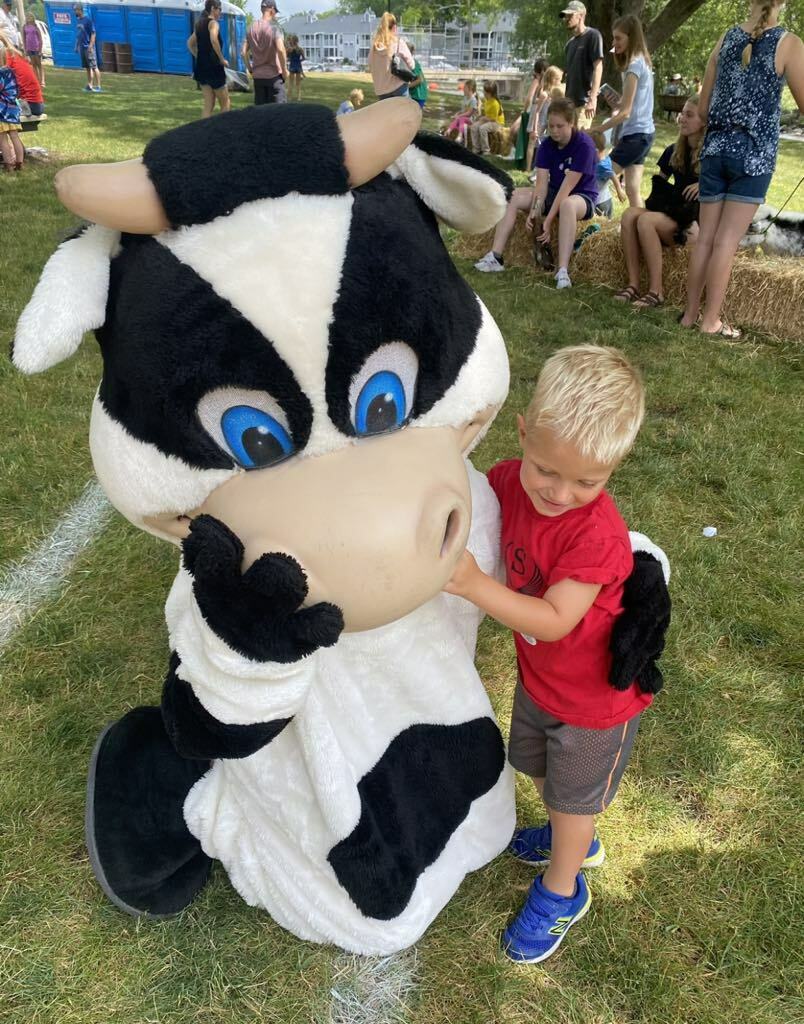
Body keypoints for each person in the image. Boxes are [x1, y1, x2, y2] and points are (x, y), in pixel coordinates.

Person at [444, 344, 648, 965]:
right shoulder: (510, 480)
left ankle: (563, 889)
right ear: (523, 434)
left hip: (594, 706)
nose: (559, 493)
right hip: (540, 684)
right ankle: (572, 841)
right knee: (537, 768)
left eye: (587, 482)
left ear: (614, 467)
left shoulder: (596, 536)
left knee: (571, 798)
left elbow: (557, 621)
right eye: (546, 470)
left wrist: (475, 585)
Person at [680, 0, 804, 337]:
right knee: (726, 242)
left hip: (715, 150)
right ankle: (711, 321)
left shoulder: (726, 37)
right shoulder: (789, 44)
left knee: (706, 238)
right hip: (754, 156)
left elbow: (703, 109)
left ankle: (690, 315)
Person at [475, 99, 597, 286]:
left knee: (567, 204)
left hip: (581, 196)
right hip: (554, 191)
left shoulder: (584, 145)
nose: (554, 131)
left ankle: (562, 271)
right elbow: (541, 185)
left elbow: (566, 189)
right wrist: (535, 211)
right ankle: (496, 257)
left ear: (571, 123)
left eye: (559, 126)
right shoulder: (547, 145)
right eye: (551, 126)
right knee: (513, 195)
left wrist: (548, 221)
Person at [614, 95, 705, 308]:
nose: (682, 118)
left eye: (689, 115)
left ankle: (656, 292)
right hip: (672, 212)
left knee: (646, 221)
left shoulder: (711, 156)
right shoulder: (673, 151)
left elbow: (727, 189)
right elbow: (659, 187)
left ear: (704, 121)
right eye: (682, 113)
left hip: (693, 224)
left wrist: (704, 185)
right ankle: (633, 285)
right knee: (629, 214)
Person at [597, 15, 655, 207]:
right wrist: (618, 103)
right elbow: (628, 105)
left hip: (635, 137)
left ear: (632, 37)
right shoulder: (641, 62)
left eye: (618, 38)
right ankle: (638, 223)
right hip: (644, 134)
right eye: (613, 38)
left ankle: (594, 214)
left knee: (598, 175)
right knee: (632, 190)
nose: (614, 43)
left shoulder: (634, 66)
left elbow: (626, 113)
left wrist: (597, 130)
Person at [561, 0, 603, 129]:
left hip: (584, 103)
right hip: (569, 105)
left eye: (570, 15)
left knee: (579, 138)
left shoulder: (593, 35)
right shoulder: (569, 44)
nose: (566, 19)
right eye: (565, 16)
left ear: (581, 15)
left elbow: (598, 67)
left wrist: (592, 99)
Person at [188, 0, 230, 116]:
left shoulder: (199, 24)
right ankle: (224, 127)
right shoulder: (213, 23)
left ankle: (204, 127)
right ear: (213, 8)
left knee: (209, 103)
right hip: (214, 68)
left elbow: (189, 44)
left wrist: (198, 56)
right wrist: (221, 59)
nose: (220, 12)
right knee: (225, 102)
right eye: (219, 9)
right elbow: (213, 40)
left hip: (201, 68)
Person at [243, 0, 287, 106]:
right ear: (272, 10)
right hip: (274, 77)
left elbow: (243, 52)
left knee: (261, 113)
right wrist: (284, 70)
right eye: (275, 12)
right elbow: (280, 49)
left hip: (258, 78)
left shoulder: (251, 27)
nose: (275, 15)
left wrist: (250, 68)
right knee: (279, 113)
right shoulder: (274, 27)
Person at [509, 58, 548, 169]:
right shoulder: (549, 82)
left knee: (527, 138)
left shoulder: (537, 81)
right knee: (540, 139)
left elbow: (529, 99)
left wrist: (524, 111)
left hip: (535, 112)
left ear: (536, 70)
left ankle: (527, 165)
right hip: (545, 113)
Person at [368, 12, 413, 100]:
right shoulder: (398, 42)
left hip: (382, 91)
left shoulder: (374, 48)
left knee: (387, 110)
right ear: (394, 27)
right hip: (399, 87)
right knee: (406, 109)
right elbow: (411, 64)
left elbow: (370, 64)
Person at [2, 35, 45, 116]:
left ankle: (22, 109)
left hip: (30, 105)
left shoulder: (9, 58)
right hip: (38, 104)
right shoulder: (18, 57)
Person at [589, 128, 626, 218]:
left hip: (601, 202)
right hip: (604, 199)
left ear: (595, 151)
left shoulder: (601, 165)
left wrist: (619, 190)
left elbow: (612, 174)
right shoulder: (605, 159)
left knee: (600, 223)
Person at [0, 41, 23, 170]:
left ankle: (8, 165)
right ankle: (19, 163)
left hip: (2, 111)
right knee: (15, 136)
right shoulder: (10, 71)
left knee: (2, 139)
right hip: (13, 109)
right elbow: (17, 89)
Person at [468, 80, 505, 155]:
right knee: (474, 127)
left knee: (483, 128)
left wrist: (483, 118)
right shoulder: (486, 100)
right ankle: (476, 149)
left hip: (497, 123)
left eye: (485, 91)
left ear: (490, 93)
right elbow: (486, 113)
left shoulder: (495, 103)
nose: (483, 92)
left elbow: (494, 119)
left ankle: (486, 150)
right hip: (488, 120)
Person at [73, 4, 100, 93]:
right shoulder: (78, 21)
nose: (75, 12)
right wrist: (76, 46)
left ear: (80, 10)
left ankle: (98, 86)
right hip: (82, 47)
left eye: (76, 10)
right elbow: (79, 35)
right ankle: (90, 85)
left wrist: (91, 45)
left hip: (88, 47)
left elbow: (93, 33)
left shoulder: (88, 20)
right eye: (74, 10)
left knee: (94, 67)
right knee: (87, 67)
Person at [443, 78, 477, 143]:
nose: (463, 89)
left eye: (465, 88)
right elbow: (462, 110)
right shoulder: (465, 98)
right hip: (463, 117)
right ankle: (448, 131)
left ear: (470, 89)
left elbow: (469, 113)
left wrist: (460, 116)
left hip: (470, 119)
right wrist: (457, 114)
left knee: (461, 119)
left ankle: (460, 136)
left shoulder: (473, 100)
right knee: (456, 120)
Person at [22, 12, 43, 88]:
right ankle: (37, 81)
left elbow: (40, 39)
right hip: (29, 48)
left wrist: (40, 49)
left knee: (39, 64)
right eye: (27, 17)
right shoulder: (24, 27)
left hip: (36, 48)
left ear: (33, 18)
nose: (29, 18)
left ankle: (42, 81)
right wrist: (25, 49)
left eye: (30, 16)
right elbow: (24, 38)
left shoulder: (35, 26)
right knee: (33, 64)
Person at [407, 44, 428, 109]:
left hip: (419, 94)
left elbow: (419, 80)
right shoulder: (408, 62)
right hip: (415, 93)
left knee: (414, 113)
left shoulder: (413, 63)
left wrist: (406, 87)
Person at [286, 33, 304, 101]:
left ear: (292, 41)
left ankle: (289, 97)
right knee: (298, 83)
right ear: (297, 41)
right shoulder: (300, 49)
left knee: (291, 83)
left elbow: (287, 56)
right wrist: (298, 61)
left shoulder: (290, 49)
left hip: (292, 66)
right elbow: (303, 58)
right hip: (298, 66)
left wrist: (290, 59)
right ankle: (299, 97)